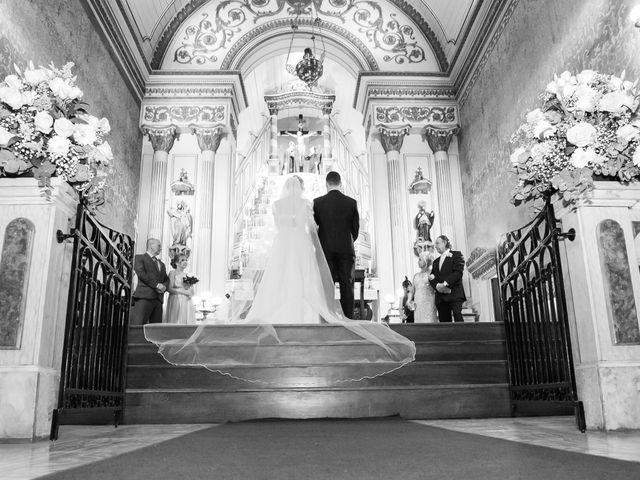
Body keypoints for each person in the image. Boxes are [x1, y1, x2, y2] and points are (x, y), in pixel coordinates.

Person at [313, 171, 359, 319]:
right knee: (347, 284)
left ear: (326, 184)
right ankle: (348, 320)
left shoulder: (317, 202)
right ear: (340, 183)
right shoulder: (351, 203)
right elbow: (355, 229)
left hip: (325, 250)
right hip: (346, 250)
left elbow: (314, 228)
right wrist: (347, 241)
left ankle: (327, 318)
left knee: (327, 285)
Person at [130, 238, 168, 325]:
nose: (161, 248)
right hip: (144, 297)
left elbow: (166, 279)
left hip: (158, 299)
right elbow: (141, 274)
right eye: (159, 245)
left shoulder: (161, 264)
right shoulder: (139, 258)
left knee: (156, 329)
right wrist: (157, 285)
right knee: (138, 325)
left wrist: (164, 287)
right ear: (151, 245)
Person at [429, 235, 466, 323]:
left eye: (437, 243)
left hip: (454, 293)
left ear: (445, 243)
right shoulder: (435, 261)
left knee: (458, 320)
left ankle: (462, 337)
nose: (435, 246)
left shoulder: (456, 255)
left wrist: (445, 283)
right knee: (444, 324)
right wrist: (437, 286)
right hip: (441, 297)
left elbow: (458, 272)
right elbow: (432, 277)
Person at [164, 253, 196, 324]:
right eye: (182, 260)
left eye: (186, 260)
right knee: (176, 320)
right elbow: (170, 289)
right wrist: (184, 292)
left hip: (187, 300)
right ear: (176, 263)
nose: (185, 262)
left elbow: (192, 291)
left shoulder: (187, 275)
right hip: (176, 298)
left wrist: (190, 289)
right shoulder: (173, 273)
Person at [407, 251, 438, 323]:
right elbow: (412, 291)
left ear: (426, 261)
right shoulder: (416, 275)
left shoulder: (432, 274)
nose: (418, 261)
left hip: (429, 303)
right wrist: (409, 300)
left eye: (420, 259)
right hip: (418, 304)